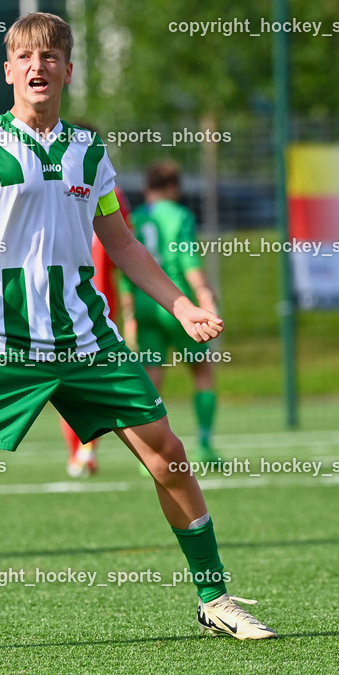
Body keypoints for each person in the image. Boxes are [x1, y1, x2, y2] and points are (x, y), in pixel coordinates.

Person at [0, 12, 275, 658]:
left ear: (68, 69)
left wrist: (180, 305)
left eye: (50, 56)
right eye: (24, 58)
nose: (37, 67)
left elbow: (119, 240)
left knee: (169, 454)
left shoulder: (90, 154)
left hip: (87, 341)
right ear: (8, 71)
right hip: (1, 343)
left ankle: (214, 598)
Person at [123, 161, 222, 464]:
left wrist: (128, 312)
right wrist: (205, 295)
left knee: (152, 378)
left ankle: (148, 456)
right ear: (174, 188)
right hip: (176, 303)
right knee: (202, 370)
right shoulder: (180, 216)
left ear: (146, 188)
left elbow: (123, 265)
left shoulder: (134, 218)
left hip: (143, 304)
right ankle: (204, 445)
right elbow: (188, 261)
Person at [62, 180, 132, 478]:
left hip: (67, 305)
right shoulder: (108, 191)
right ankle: (84, 450)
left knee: (72, 381)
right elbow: (125, 246)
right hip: (97, 304)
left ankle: (81, 451)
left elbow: (124, 246)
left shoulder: (51, 183)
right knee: (91, 380)